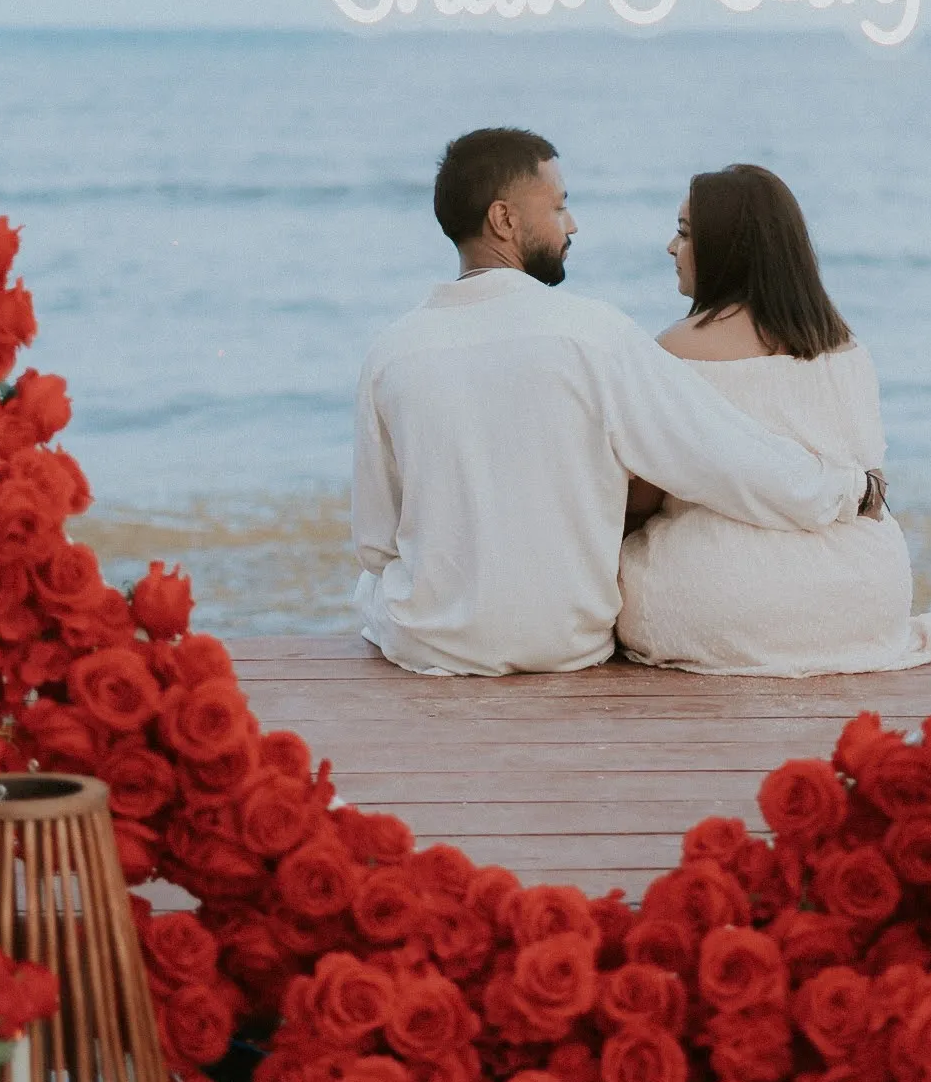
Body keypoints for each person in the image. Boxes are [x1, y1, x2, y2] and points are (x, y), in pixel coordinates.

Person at [352, 129, 881, 676]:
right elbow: (726, 458)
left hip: (429, 644)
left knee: (375, 581)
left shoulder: (391, 352)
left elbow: (375, 542)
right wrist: (847, 488)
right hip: (565, 643)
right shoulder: (597, 337)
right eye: (558, 207)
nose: (572, 224)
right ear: (504, 220)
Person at [617, 163, 931, 675]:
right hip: (862, 596)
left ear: (727, 248)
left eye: (685, 233)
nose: (672, 247)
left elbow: (644, 499)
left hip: (728, 600)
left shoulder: (675, 351)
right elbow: (872, 481)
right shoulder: (843, 345)